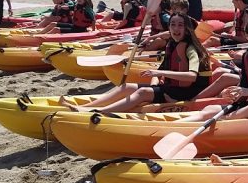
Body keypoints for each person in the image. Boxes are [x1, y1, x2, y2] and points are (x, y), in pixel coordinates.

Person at [64, 11, 212, 113]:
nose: (176, 28)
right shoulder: (172, 44)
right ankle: (87, 106)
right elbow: (161, 69)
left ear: (186, 29)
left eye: (180, 25)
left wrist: (158, 75)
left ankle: (100, 111)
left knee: (142, 92)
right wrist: (155, 84)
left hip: (188, 92)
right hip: (173, 87)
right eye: (173, 24)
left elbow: (192, 76)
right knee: (127, 86)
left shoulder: (191, 48)